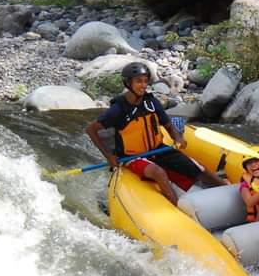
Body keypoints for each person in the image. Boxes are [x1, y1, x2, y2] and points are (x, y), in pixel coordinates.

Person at [85, 62, 223, 205]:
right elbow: (91, 130)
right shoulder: (118, 109)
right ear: (128, 83)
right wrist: (109, 156)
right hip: (132, 157)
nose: (143, 85)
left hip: (158, 149)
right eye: (139, 81)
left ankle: (225, 188)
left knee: (196, 167)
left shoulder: (151, 103)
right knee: (158, 172)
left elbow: (167, 124)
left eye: (145, 81)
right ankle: (175, 206)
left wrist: (177, 137)